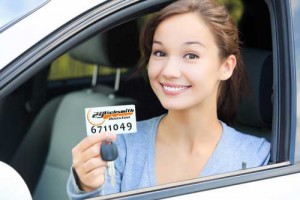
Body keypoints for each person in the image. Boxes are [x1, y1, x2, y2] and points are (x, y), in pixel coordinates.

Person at [67, 0, 270, 198]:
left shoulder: (258, 156)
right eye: (160, 52)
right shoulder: (119, 146)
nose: (169, 71)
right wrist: (88, 188)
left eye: (191, 55)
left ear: (226, 67)